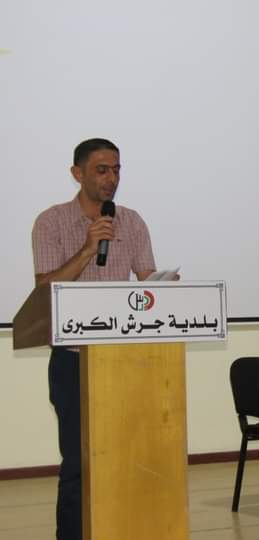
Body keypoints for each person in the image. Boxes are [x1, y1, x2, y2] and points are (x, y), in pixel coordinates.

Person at [32, 138, 157, 540]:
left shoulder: (132, 222)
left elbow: (147, 283)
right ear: (78, 173)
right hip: (73, 360)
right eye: (102, 170)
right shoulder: (51, 222)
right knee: (79, 463)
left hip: (124, 360)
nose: (112, 178)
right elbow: (44, 289)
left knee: (128, 458)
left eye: (117, 170)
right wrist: (88, 249)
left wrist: (164, 289)